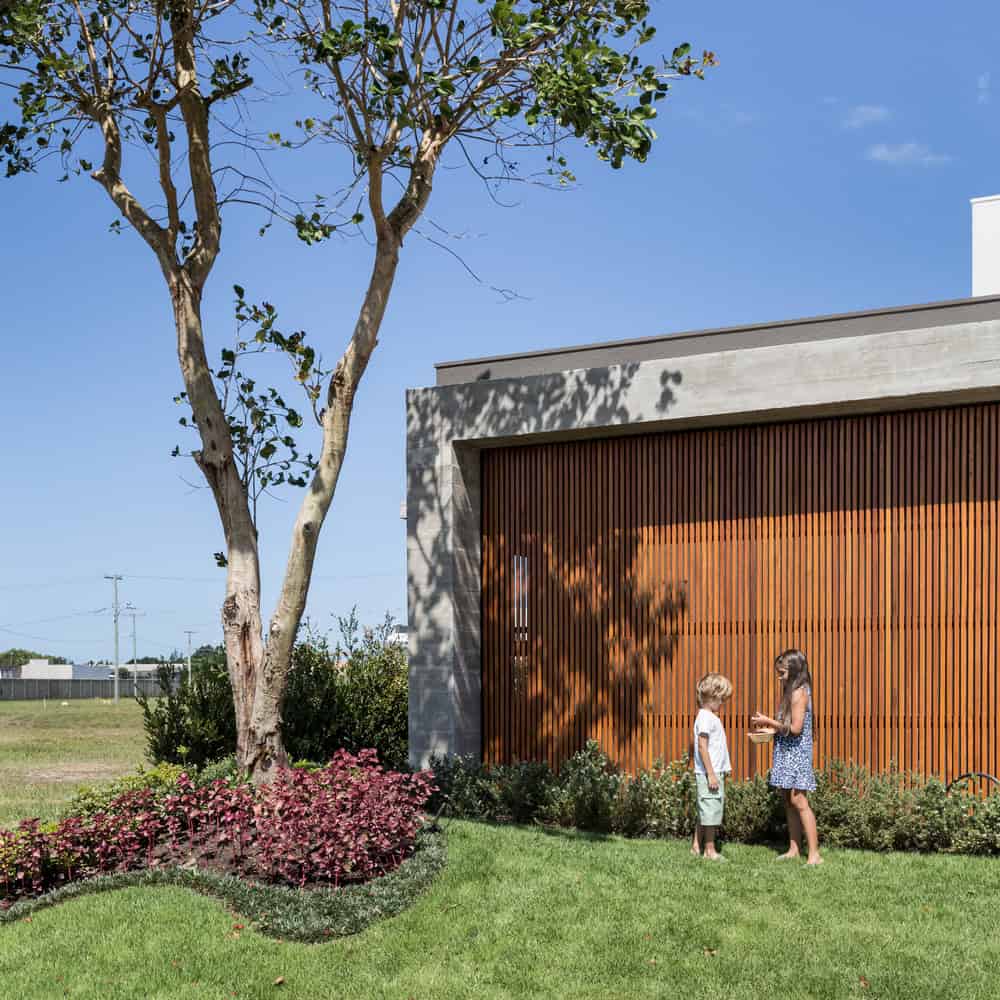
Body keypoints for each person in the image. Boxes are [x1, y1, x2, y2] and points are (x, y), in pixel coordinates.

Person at [751, 648, 822, 865]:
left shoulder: (800, 693)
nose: (779, 676)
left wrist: (769, 721)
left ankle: (814, 855)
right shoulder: (790, 691)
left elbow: (797, 728)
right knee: (788, 800)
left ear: (794, 670)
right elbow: (787, 728)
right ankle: (793, 849)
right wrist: (771, 732)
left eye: (782, 672)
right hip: (787, 750)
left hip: (797, 754)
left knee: (799, 800)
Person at [691, 672, 734, 861]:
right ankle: (709, 850)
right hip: (710, 772)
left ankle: (696, 846)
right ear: (711, 696)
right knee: (710, 811)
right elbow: (702, 746)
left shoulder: (708, 716)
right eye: (721, 699)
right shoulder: (706, 718)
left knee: (705, 808)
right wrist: (711, 774)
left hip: (713, 771)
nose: (722, 703)